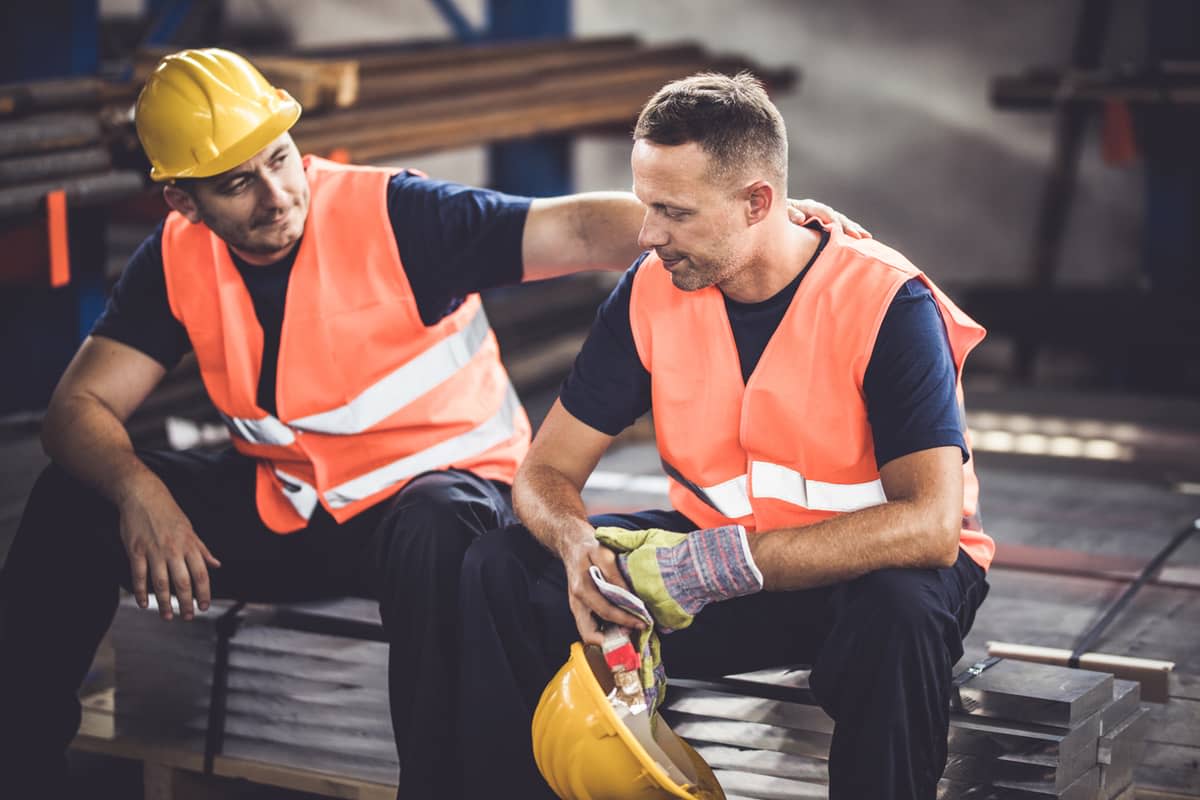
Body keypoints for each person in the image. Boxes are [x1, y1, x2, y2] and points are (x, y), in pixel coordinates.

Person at [0, 50, 858, 799]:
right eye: (235, 184)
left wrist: (760, 225)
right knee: (72, 501)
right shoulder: (177, 259)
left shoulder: (395, 215)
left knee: (439, 529)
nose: (275, 194)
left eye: (281, 159)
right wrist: (138, 488)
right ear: (181, 203)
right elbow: (77, 409)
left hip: (443, 498)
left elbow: (572, 228)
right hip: (294, 505)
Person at [458, 72, 995, 800]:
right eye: (647, 206)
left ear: (757, 203)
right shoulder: (652, 288)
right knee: (502, 563)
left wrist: (723, 566)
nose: (649, 235)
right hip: (720, 561)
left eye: (673, 212)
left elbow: (931, 528)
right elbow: (545, 471)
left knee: (898, 619)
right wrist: (576, 547)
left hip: (867, 575)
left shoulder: (886, 304)